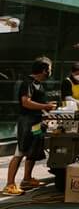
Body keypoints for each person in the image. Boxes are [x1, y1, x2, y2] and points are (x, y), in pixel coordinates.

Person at [4, 58, 56, 195]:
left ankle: (27, 179)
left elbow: (37, 103)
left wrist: (46, 110)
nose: (50, 71)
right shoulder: (28, 83)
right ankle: (9, 184)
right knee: (20, 152)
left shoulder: (39, 84)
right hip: (27, 122)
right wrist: (45, 106)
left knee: (33, 151)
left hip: (37, 122)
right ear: (44, 70)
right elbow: (26, 102)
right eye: (50, 69)